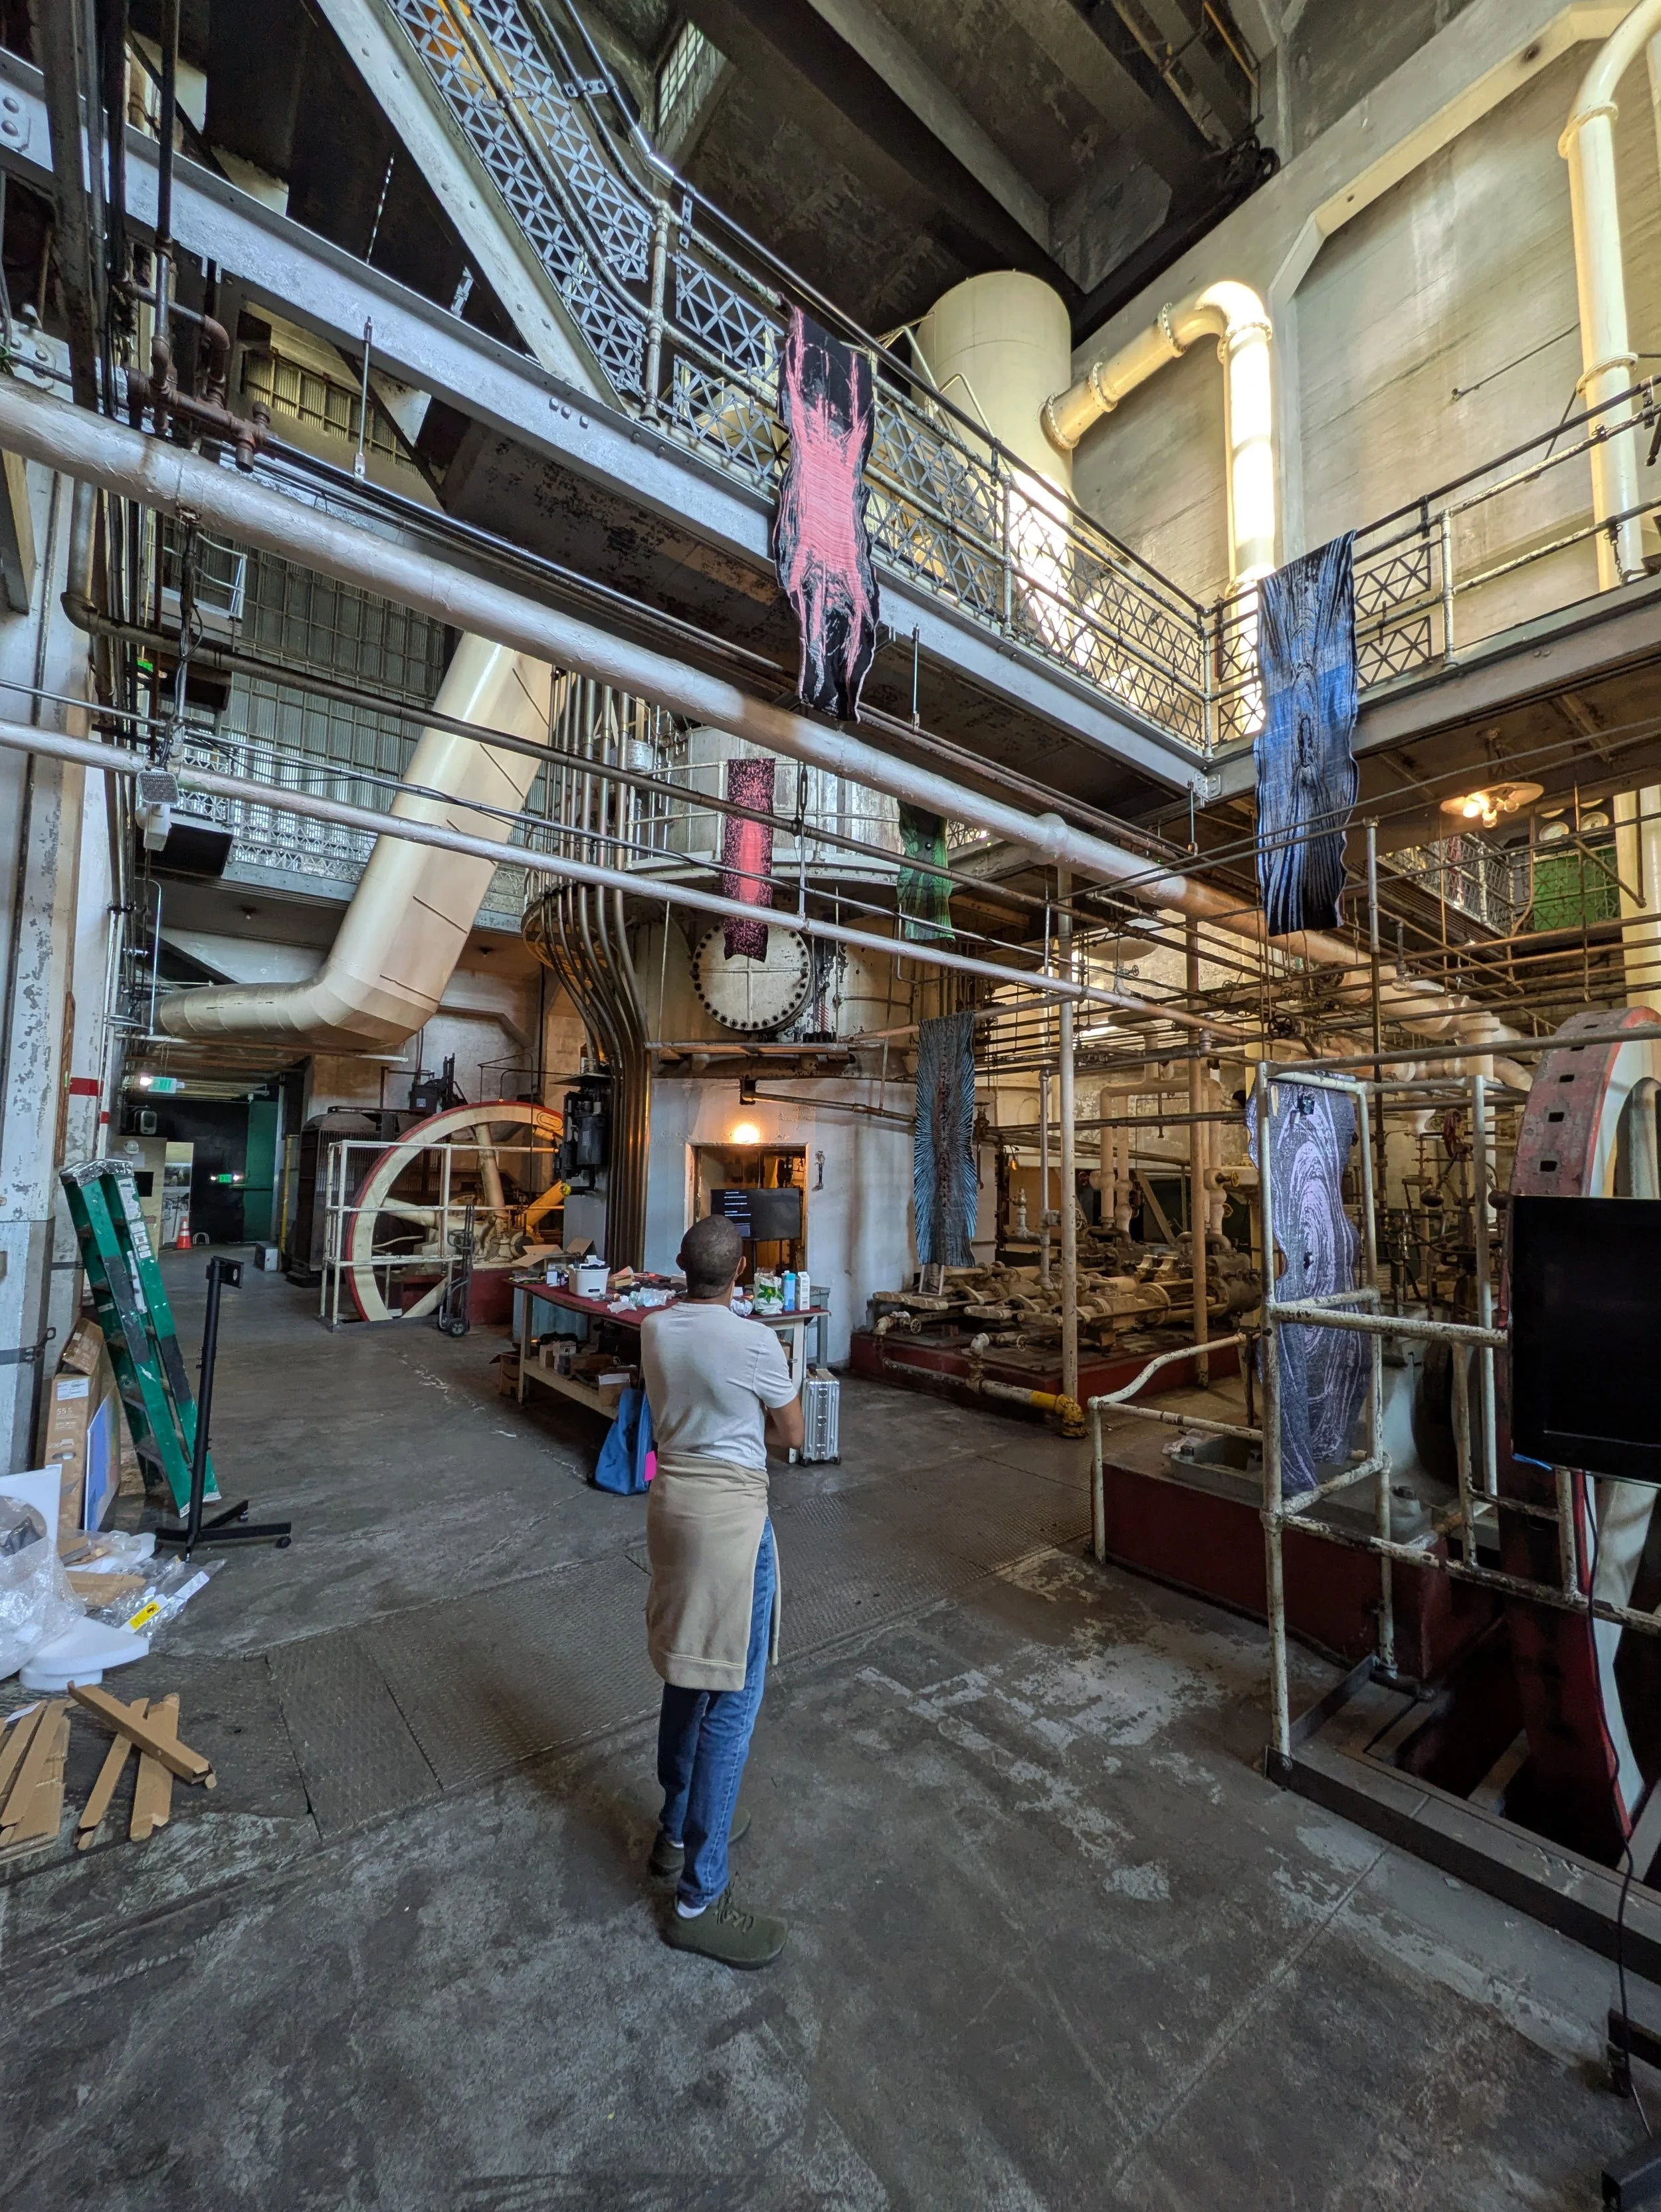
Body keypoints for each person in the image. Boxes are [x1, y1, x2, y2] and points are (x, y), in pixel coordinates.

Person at [640, 1213, 805, 1968]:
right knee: (733, 1701)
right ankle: (700, 1897)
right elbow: (794, 1433)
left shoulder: (655, 1329)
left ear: (682, 1268)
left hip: (671, 1508)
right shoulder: (754, 1342)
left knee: (685, 1670)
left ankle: (675, 1829)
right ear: (741, 1271)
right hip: (733, 1524)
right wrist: (750, 1423)